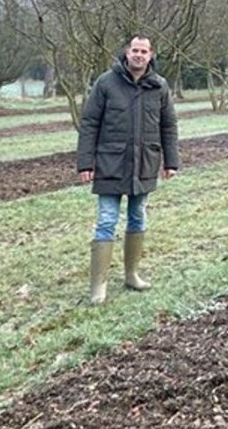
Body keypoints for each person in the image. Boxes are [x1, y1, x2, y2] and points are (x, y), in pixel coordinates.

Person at [76, 35, 179, 304]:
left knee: (138, 218)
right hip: (110, 163)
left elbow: (168, 125)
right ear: (127, 52)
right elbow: (89, 123)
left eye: (144, 51)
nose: (139, 55)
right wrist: (85, 162)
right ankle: (98, 287)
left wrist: (171, 161)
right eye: (135, 50)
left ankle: (132, 275)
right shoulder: (105, 83)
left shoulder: (159, 86)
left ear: (150, 55)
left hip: (145, 163)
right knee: (106, 221)